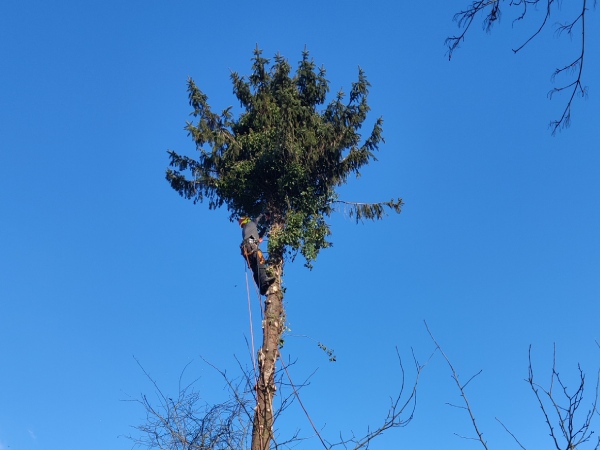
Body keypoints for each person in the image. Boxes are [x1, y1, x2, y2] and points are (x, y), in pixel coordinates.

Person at [239, 214, 274, 295]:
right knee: (260, 261)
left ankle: (262, 287)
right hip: (250, 245)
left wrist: (268, 222)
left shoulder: (248, 231)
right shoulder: (250, 224)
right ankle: (264, 281)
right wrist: (264, 213)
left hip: (246, 249)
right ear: (247, 220)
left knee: (255, 268)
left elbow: (260, 235)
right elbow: (257, 219)